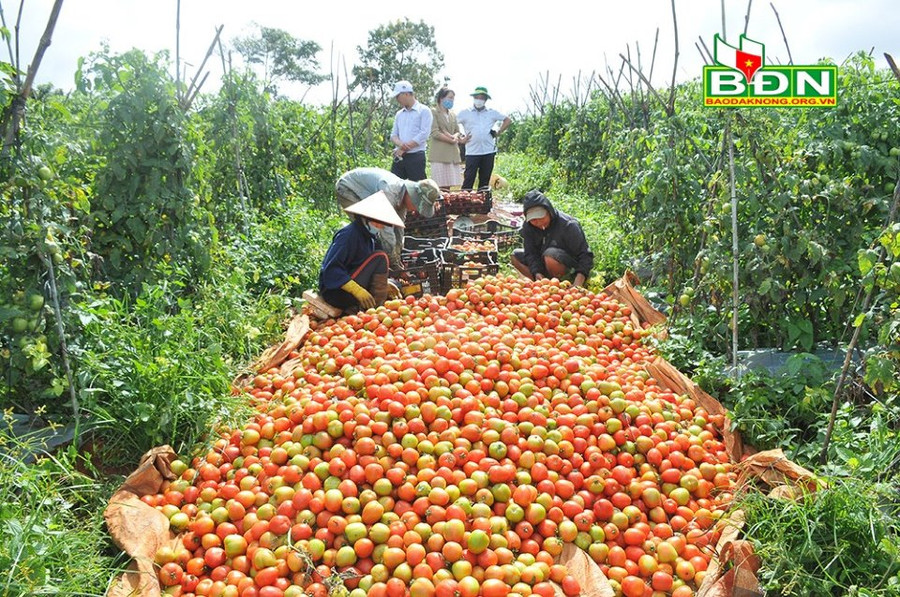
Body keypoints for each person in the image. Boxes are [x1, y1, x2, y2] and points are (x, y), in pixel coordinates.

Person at [317, 191, 405, 313]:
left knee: (396, 285)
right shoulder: (348, 235)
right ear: (365, 218)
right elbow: (331, 270)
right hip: (336, 292)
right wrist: (356, 290)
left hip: (353, 282)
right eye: (376, 222)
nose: (379, 226)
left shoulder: (370, 238)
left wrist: (386, 283)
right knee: (380, 257)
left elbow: (365, 268)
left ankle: (367, 308)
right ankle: (375, 310)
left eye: (382, 224)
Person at [335, 167, 442, 266]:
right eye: (417, 205)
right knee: (367, 229)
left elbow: (399, 226)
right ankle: (358, 265)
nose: (415, 209)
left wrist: (399, 252)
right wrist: (394, 263)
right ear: (412, 195)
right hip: (349, 188)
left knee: (376, 235)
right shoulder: (390, 192)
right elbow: (386, 229)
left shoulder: (402, 198)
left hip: (366, 192)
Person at [511, 190, 594, 287]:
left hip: (567, 264)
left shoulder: (568, 225)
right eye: (533, 220)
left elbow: (585, 255)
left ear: (549, 211)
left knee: (550, 254)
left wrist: (578, 282)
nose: (538, 222)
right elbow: (531, 253)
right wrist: (537, 272)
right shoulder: (529, 226)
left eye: (541, 217)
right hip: (544, 262)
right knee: (515, 256)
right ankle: (540, 284)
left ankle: (564, 283)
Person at [456, 86, 511, 190]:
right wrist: (460, 138)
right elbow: (452, 124)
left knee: (484, 182)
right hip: (472, 151)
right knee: (469, 179)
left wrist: (498, 132)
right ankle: (464, 204)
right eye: (477, 97)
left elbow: (507, 120)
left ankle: (482, 204)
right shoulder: (465, 113)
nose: (479, 100)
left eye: (482, 98)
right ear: (474, 98)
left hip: (488, 151)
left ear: (485, 100)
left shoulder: (492, 112)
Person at [390, 80, 432, 182]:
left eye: (398, 96)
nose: (397, 99)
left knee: (418, 188)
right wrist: (401, 145)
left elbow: (424, 134)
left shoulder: (424, 110)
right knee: (394, 186)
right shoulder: (399, 114)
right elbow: (393, 135)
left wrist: (404, 148)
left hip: (415, 156)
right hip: (399, 156)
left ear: (407, 94)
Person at [428, 88, 465, 189]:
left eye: (453, 98)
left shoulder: (452, 114)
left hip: (452, 154)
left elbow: (457, 130)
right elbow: (435, 132)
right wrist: (451, 140)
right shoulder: (433, 112)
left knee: (448, 186)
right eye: (449, 98)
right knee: (439, 186)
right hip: (440, 154)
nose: (451, 100)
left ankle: (446, 205)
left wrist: (455, 136)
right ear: (441, 98)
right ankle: (439, 205)